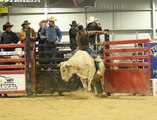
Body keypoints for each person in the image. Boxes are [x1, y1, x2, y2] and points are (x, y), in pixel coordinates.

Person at [0, 22, 19, 97]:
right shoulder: (3, 34)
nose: (9, 28)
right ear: (6, 28)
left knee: (10, 67)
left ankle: (6, 90)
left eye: (10, 27)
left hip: (11, 52)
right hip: (4, 52)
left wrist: (13, 43)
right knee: (3, 69)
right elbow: (1, 42)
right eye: (8, 27)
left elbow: (17, 40)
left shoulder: (14, 34)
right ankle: (3, 90)